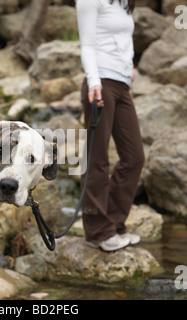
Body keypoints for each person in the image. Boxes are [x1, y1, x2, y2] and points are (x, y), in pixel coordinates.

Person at [76, 0, 145, 251]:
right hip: (101, 83)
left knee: (134, 157)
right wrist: (94, 81)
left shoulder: (123, 2)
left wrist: (129, 67)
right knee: (97, 159)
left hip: (121, 84)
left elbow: (121, 39)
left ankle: (114, 223)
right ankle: (97, 231)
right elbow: (88, 45)